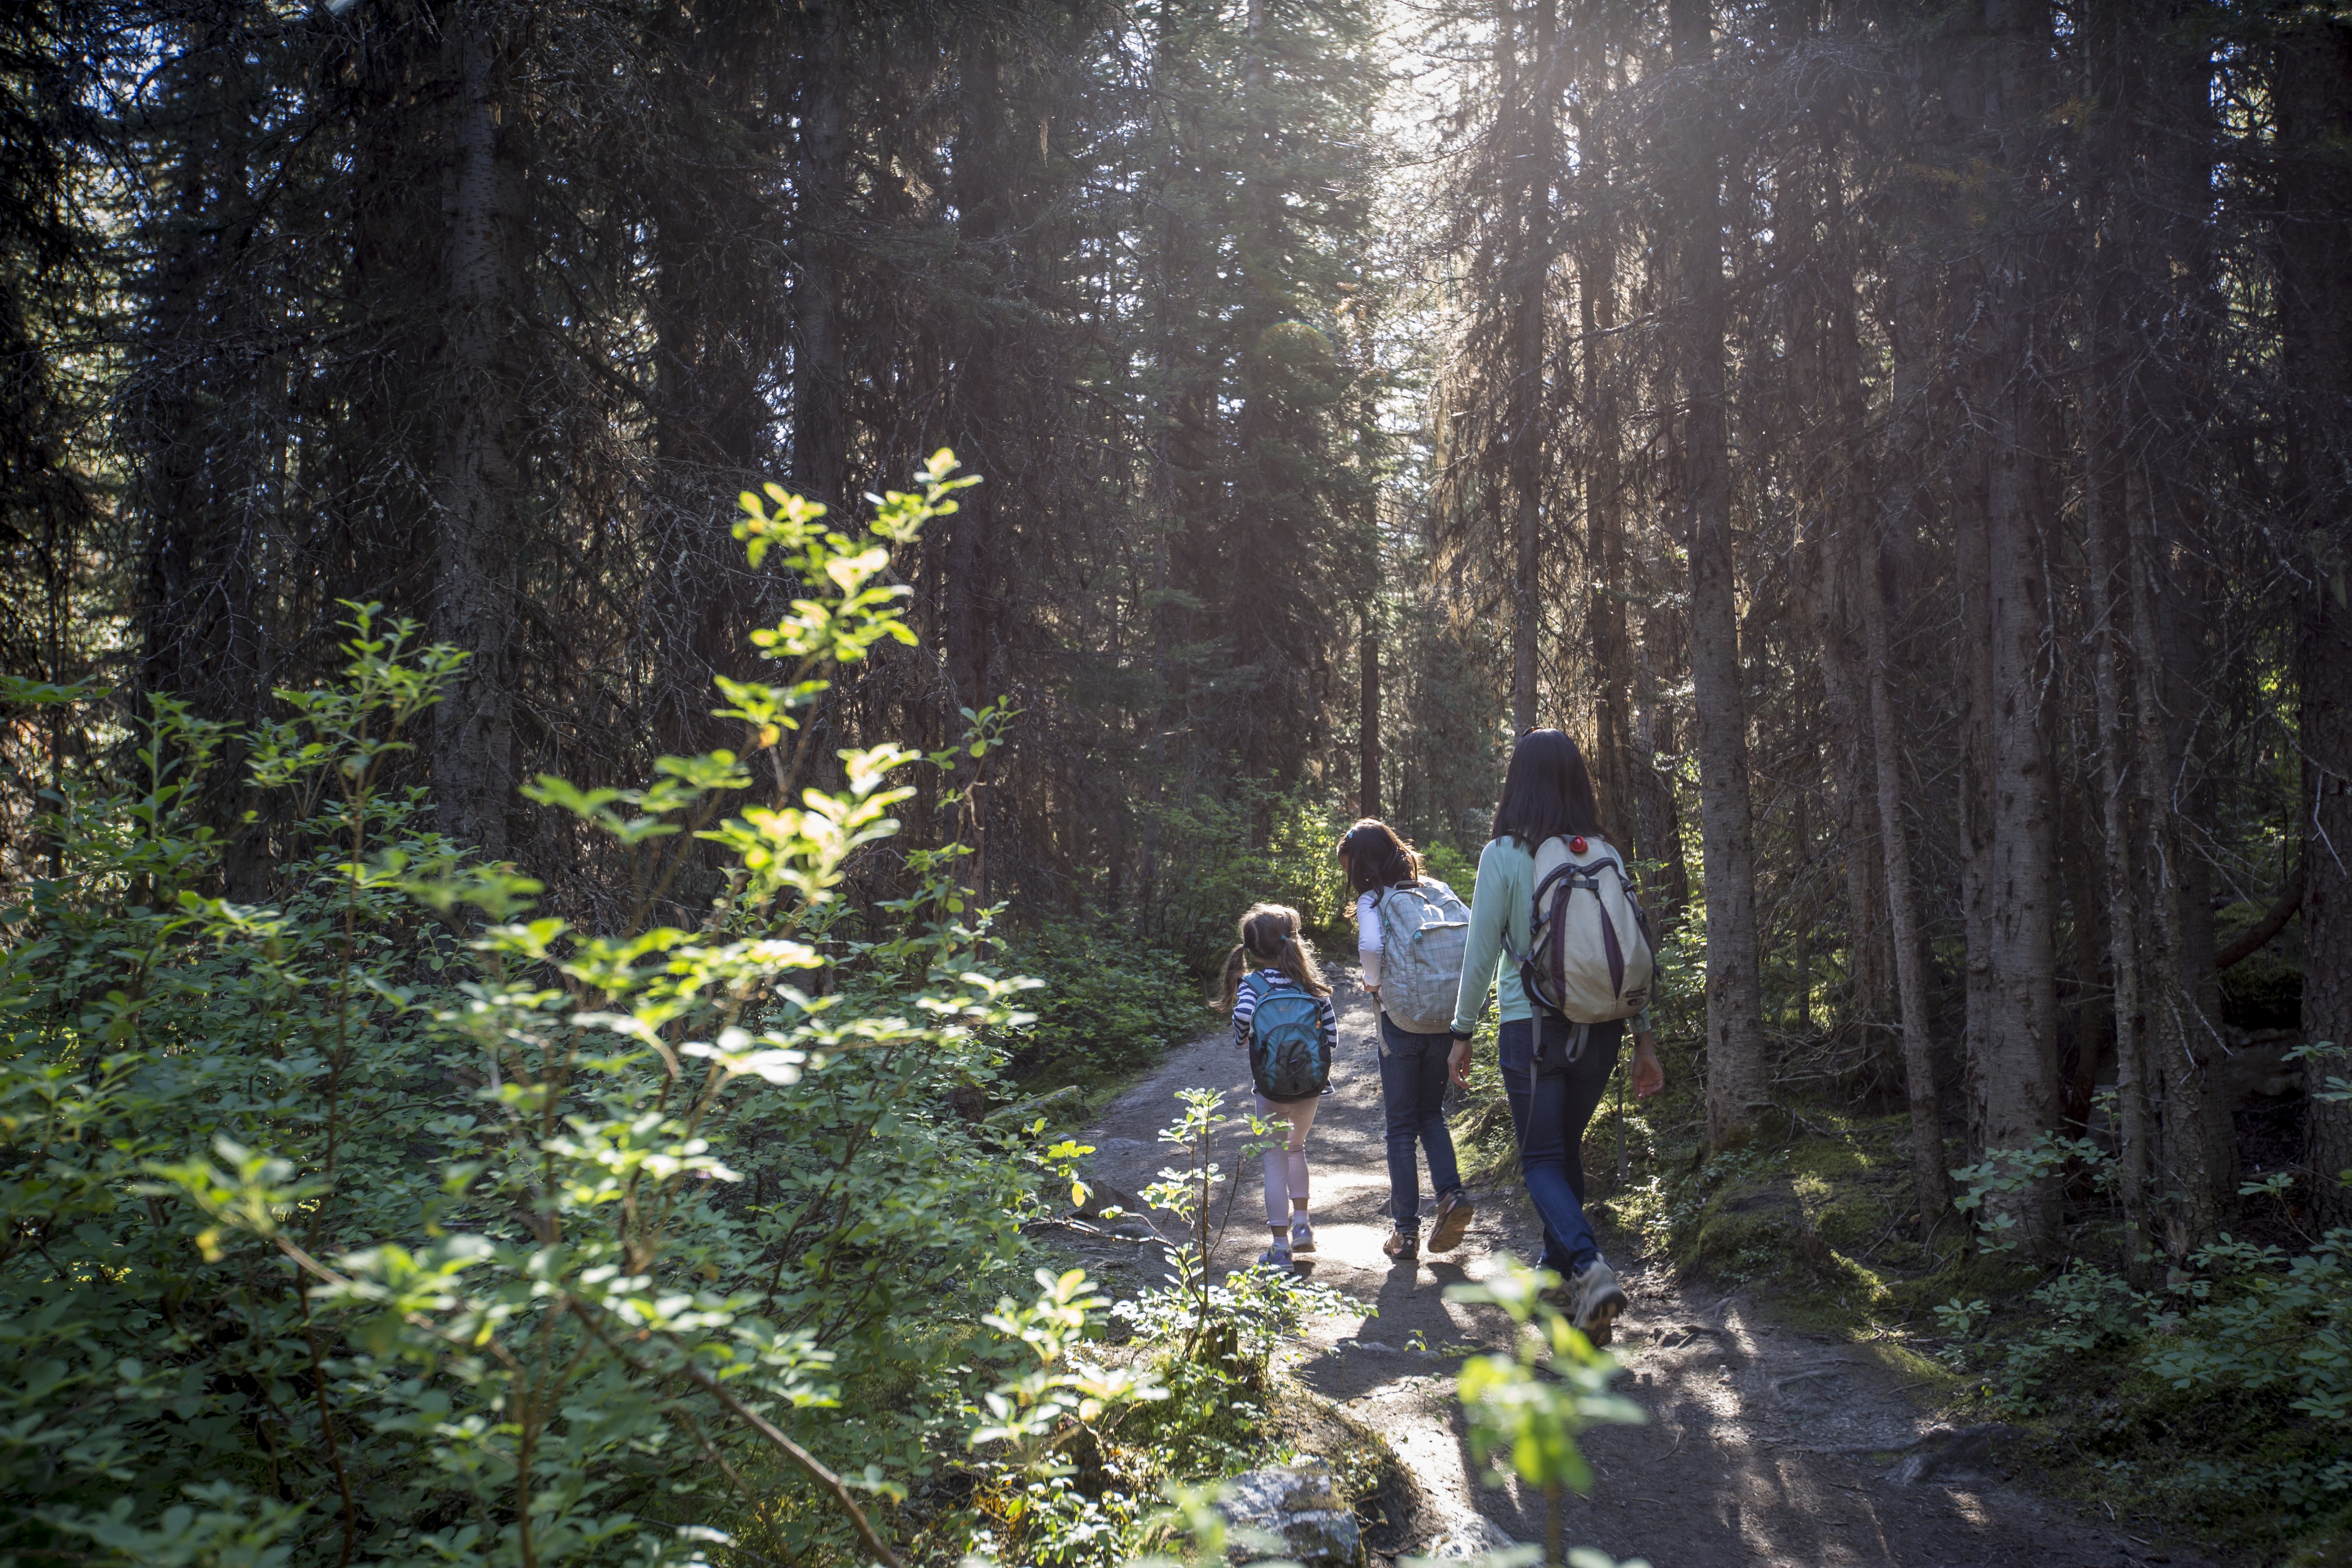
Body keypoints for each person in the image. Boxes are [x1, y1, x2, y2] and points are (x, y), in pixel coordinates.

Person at [1446, 729, 1665, 1341]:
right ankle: (1558, 1282)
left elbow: (1480, 954)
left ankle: (1591, 1269)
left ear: (1517, 781)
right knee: (1563, 1152)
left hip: (1533, 1029)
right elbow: (1632, 951)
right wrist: (1644, 1040)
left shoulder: (1504, 854)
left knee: (1540, 1159)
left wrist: (1462, 1031)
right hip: (1603, 1028)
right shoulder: (1603, 852)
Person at [1337, 819, 1476, 1263]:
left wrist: (1373, 982)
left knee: (1400, 1126)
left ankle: (1406, 1233)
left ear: (1362, 865)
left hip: (1401, 1022)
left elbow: (1371, 947)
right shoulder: (1436, 890)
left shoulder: (1373, 899)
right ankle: (1451, 1195)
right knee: (1431, 1114)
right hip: (1446, 1018)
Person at [1215, 902, 1341, 1268]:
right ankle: (1302, 1227)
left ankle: (1280, 1248)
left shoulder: (1252, 985)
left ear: (1253, 950)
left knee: (1274, 1161)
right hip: (1310, 1088)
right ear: (1292, 940)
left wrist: (1243, 1038)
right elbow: (1332, 1038)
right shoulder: (1309, 984)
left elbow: (1242, 1017)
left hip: (1270, 1089)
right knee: (1296, 1149)